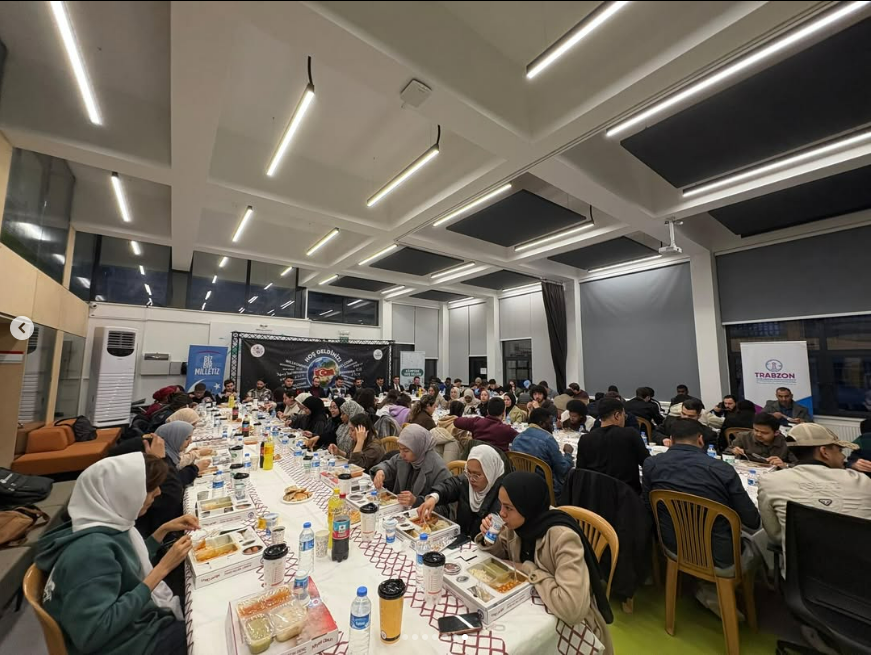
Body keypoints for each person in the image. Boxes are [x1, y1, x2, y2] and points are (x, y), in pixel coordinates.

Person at [35, 453, 195, 655]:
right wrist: (161, 570)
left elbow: (122, 565)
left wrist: (161, 531)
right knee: (209, 632)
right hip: (131, 642)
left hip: (137, 623)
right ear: (123, 493)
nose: (158, 492)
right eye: (149, 488)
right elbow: (93, 634)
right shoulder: (90, 552)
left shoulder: (104, 525)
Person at [476, 472, 614, 651]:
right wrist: (490, 539)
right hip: (532, 607)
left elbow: (572, 609)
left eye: (508, 507)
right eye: (501, 505)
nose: (501, 513)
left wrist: (527, 569)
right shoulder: (520, 523)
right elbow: (501, 557)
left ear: (526, 506)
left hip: (572, 628)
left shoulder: (563, 538)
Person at [642, 419, 760, 572]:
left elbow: (648, 506)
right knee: (761, 536)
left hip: (673, 546)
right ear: (700, 439)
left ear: (671, 440)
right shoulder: (722, 469)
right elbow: (752, 521)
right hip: (721, 556)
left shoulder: (651, 464)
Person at [758, 423, 871, 575]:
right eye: (839, 450)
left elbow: (776, 536)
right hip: (861, 578)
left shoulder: (770, 482)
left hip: (803, 580)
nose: (843, 457)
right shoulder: (862, 481)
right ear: (824, 452)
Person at [418, 445, 505, 538]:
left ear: (490, 472)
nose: (471, 479)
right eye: (469, 472)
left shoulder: (503, 496)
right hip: (462, 540)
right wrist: (434, 498)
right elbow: (450, 486)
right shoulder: (466, 481)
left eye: (477, 475)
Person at [371, 424, 451, 514]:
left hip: (421, 517)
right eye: (400, 449)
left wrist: (416, 501)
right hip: (400, 512)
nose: (402, 455)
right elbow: (388, 466)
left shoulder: (438, 469)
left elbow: (446, 509)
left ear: (418, 447)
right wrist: (381, 471)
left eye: (406, 450)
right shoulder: (404, 458)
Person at [576, 397, 649, 494]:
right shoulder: (630, 434)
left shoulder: (585, 439)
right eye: (624, 416)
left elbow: (580, 472)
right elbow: (647, 463)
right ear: (617, 415)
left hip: (596, 496)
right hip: (627, 496)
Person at [510, 408, 574, 496]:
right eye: (550, 423)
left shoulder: (517, 438)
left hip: (521, 486)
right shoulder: (547, 439)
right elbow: (563, 469)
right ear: (541, 424)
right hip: (546, 489)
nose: (552, 427)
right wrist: (568, 454)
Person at [725, 412, 794, 469]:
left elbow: (798, 465)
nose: (758, 434)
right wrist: (733, 451)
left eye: (764, 433)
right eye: (756, 430)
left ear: (776, 433)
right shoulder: (744, 437)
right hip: (749, 471)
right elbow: (726, 452)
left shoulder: (787, 442)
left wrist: (784, 465)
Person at [454, 398, 518, 452]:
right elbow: (521, 439)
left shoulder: (476, 422)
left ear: (487, 411)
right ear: (503, 413)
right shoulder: (507, 430)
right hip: (497, 461)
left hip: (476, 458)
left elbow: (456, 422)